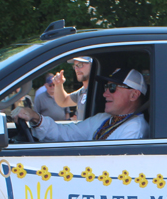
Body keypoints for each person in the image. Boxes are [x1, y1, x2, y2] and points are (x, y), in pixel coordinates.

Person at [14, 68, 149, 142]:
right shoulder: (103, 119)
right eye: (106, 87)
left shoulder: (134, 130)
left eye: (112, 88)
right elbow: (67, 133)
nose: (105, 94)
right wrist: (36, 118)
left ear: (134, 95)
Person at [52, 56, 92, 121]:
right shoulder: (82, 91)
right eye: (75, 66)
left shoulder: (101, 90)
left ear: (92, 65)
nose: (76, 69)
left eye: (80, 65)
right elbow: (63, 101)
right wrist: (58, 84)